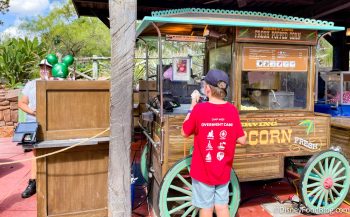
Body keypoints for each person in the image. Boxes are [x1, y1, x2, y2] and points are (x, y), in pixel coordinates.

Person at [181, 69, 246, 217]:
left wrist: (192, 105)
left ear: (207, 88)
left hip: (203, 171)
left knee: (206, 209)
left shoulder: (199, 109)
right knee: (222, 207)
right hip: (223, 170)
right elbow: (242, 139)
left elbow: (184, 132)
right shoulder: (232, 110)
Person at [18, 59, 52, 198]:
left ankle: (51, 181)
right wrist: (33, 112)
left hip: (52, 123)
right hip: (33, 122)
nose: (44, 70)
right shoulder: (31, 84)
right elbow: (22, 103)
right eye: (41, 67)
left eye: (47, 67)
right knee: (35, 152)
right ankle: (33, 183)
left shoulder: (57, 82)